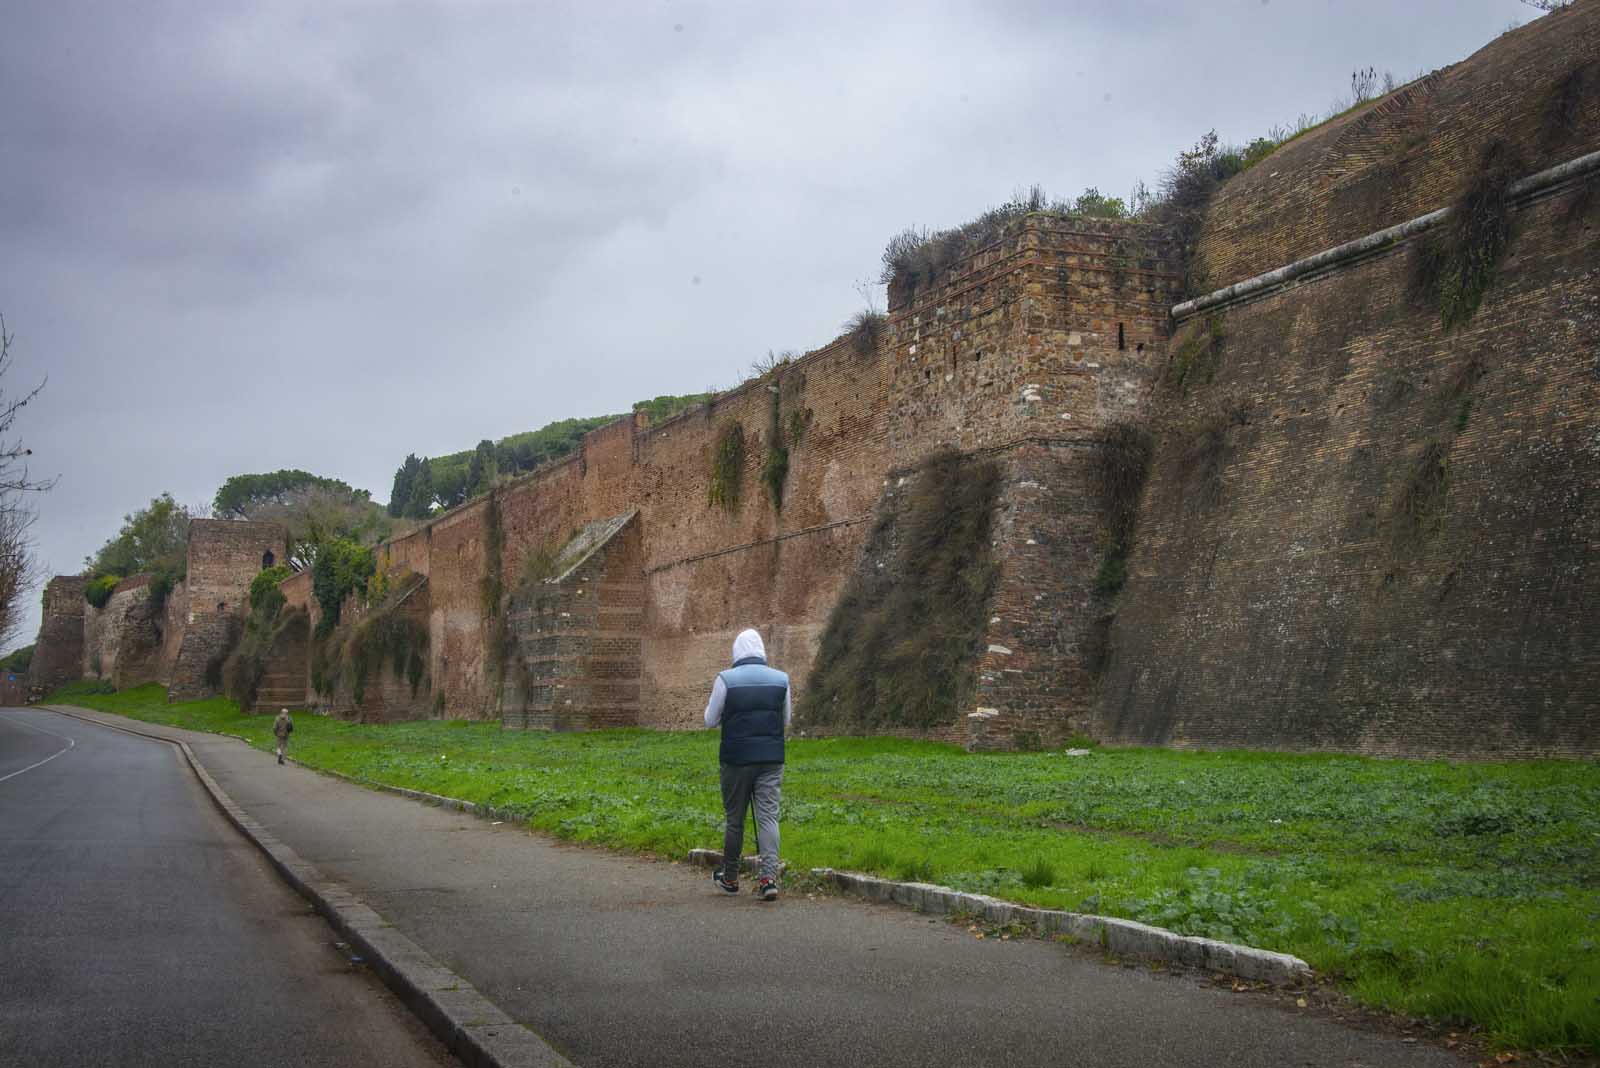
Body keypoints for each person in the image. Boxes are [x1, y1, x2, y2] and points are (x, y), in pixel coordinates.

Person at [704, 628, 790, 902]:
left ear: (736, 651)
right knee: (768, 817)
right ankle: (768, 878)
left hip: (736, 759)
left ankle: (730, 877)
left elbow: (709, 719)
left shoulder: (725, 680)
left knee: (735, 820)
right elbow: (785, 720)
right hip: (771, 758)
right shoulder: (781, 680)